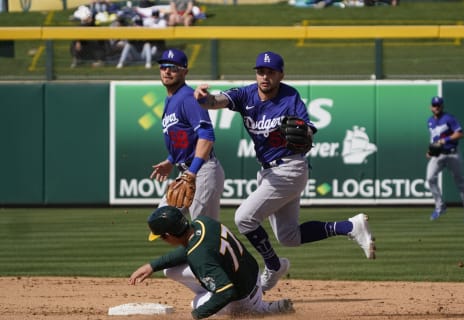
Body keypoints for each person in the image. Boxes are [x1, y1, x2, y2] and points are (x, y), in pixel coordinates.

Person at [193, 51, 376, 293]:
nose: (265, 77)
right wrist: (202, 99)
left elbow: (307, 129)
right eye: (261, 71)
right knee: (289, 236)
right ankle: (350, 227)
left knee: (244, 218)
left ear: (281, 75)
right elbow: (216, 102)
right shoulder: (245, 94)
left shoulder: (290, 96)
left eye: (270, 72)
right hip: (269, 172)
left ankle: (273, 265)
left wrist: (305, 133)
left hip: (290, 168)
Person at [129, 206, 295, 319]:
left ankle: (262, 310)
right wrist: (152, 266)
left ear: (169, 235)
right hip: (253, 278)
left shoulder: (199, 256)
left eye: (161, 237)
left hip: (241, 300)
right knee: (169, 270)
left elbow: (226, 293)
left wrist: (196, 315)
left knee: (196, 304)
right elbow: (192, 249)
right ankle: (262, 306)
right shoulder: (202, 222)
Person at [150, 48, 224, 221]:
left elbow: (207, 136)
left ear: (185, 72)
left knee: (206, 233)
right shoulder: (171, 99)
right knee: (162, 221)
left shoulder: (188, 98)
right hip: (186, 172)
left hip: (201, 171)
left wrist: (192, 172)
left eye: (173, 67)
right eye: (163, 66)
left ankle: (232, 249)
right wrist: (171, 160)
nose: (167, 71)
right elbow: (184, 138)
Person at [426, 96, 464, 223]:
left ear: (442, 106)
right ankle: (440, 206)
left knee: (460, 183)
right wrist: (431, 151)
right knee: (430, 178)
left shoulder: (449, 118)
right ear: (431, 107)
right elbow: (434, 140)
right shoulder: (430, 121)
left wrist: (445, 140)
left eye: (439, 105)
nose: (436, 107)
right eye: (434, 105)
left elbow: (460, 133)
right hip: (439, 155)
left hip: (453, 154)